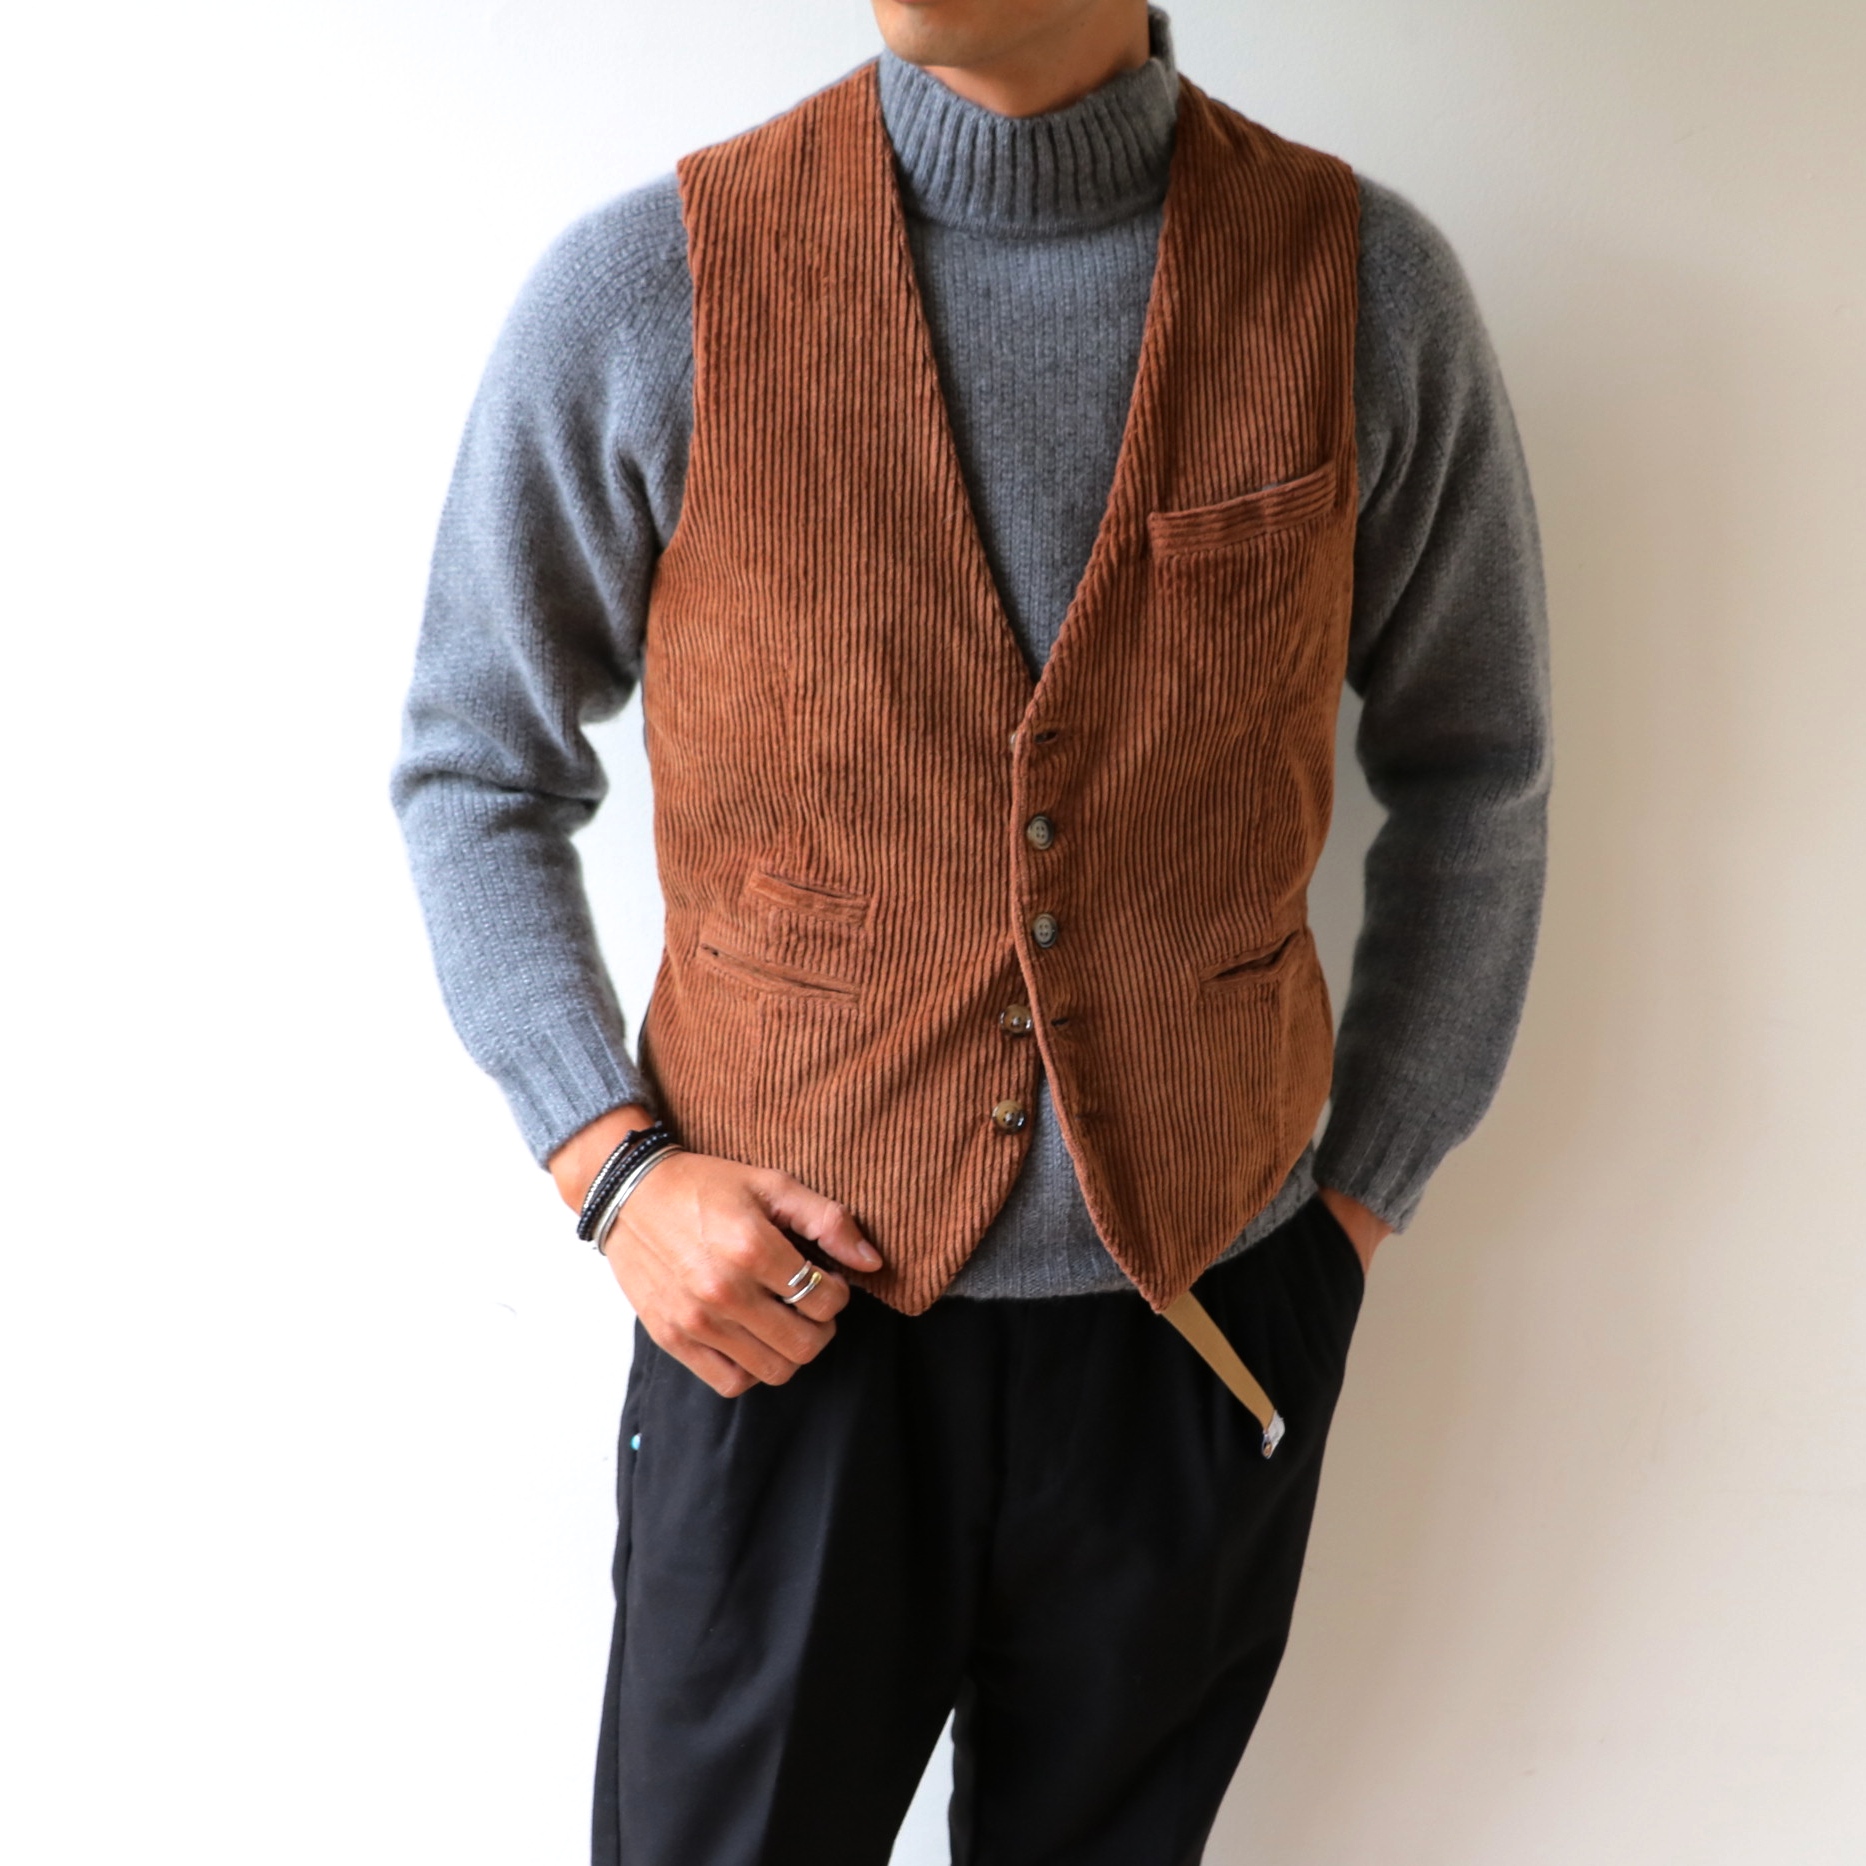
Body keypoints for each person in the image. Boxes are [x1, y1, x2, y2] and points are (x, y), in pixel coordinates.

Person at [391, 1, 1551, 1858]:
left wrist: (1347, 1217)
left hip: (1200, 1329)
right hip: (780, 1335)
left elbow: (1476, 765)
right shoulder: (654, 288)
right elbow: (476, 765)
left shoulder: (1356, 289)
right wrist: (611, 1171)